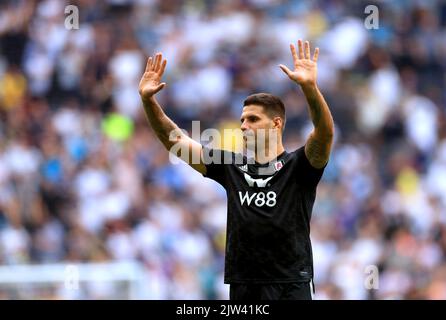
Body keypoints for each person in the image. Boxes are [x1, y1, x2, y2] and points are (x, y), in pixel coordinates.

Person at [138, 40, 334, 300]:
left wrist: (310, 88)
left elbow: (324, 133)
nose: (243, 126)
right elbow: (175, 142)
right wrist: (148, 101)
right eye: (242, 120)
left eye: (253, 119)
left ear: (276, 124)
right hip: (244, 285)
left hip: (290, 283)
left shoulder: (299, 166)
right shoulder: (231, 166)